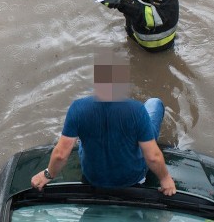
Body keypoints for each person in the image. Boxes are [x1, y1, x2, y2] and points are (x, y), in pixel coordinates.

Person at [31, 50, 176, 194]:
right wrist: (165, 179)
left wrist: (47, 174)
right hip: (132, 178)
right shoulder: (137, 111)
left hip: (93, 177)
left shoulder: (78, 108)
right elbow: (152, 157)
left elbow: (61, 154)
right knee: (154, 103)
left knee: (83, 137)